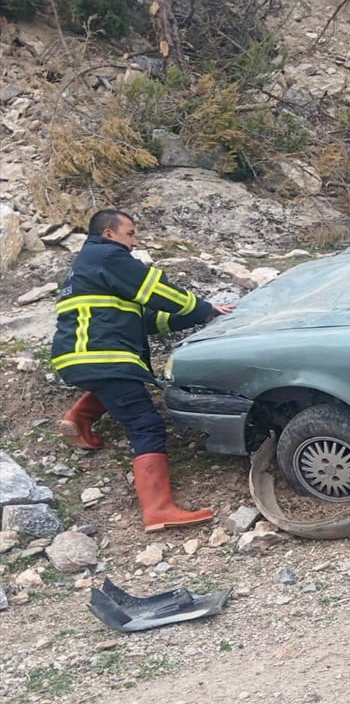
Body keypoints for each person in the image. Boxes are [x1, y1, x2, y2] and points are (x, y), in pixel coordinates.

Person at [52, 209, 235, 532]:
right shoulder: (109, 256)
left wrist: (200, 317)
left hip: (81, 357)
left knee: (122, 386)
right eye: (130, 234)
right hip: (102, 356)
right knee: (145, 424)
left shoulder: (90, 266)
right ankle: (158, 510)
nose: (135, 243)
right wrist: (202, 306)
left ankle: (78, 420)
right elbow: (156, 290)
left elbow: (147, 319)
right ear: (109, 234)